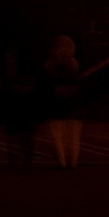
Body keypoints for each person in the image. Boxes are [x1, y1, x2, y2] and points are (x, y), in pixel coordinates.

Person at [42, 36, 83, 168]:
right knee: (71, 138)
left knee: (59, 137)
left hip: (59, 109)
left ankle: (63, 162)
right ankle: (71, 162)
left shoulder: (53, 70)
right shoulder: (72, 69)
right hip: (72, 109)